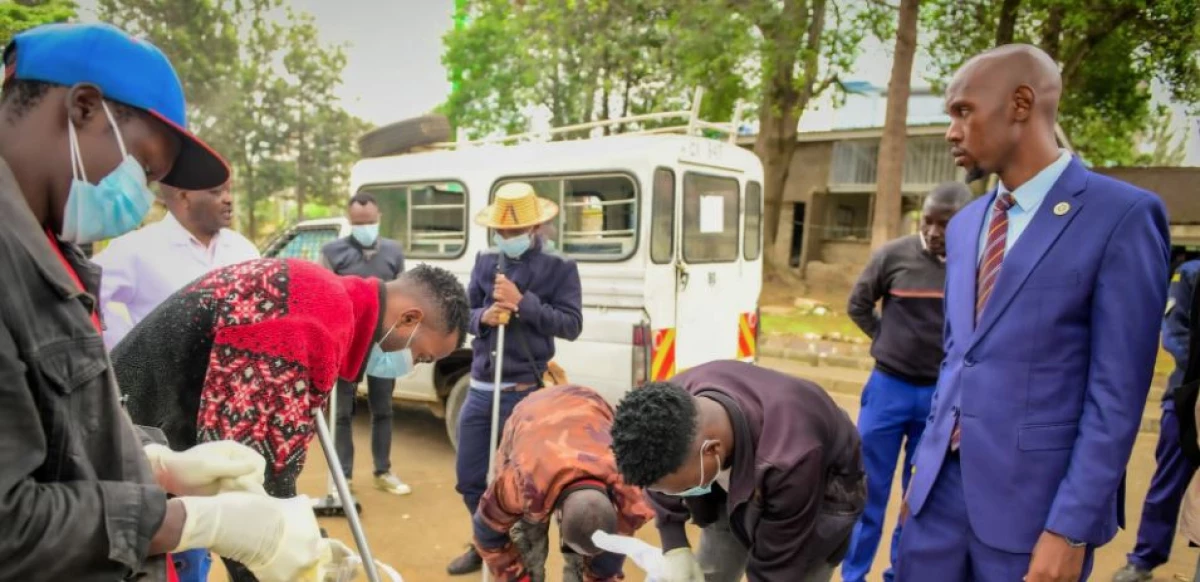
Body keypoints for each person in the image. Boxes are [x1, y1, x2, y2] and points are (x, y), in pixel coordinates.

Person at [0, 22, 326, 582]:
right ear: (83, 108)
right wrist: (193, 522)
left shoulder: (48, 249)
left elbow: (54, 430)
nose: (141, 196)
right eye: (146, 168)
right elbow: (11, 526)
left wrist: (155, 462)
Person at [896, 44, 1169, 582]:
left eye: (963, 111)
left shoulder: (1122, 217)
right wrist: (920, 478)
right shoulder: (967, 223)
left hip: (1032, 513)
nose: (951, 131)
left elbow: (1116, 395)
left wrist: (1071, 528)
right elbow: (957, 358)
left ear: (1021, 103)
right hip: (936, 505)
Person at [113, 258, 469, 581]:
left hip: (160, 450)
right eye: (421, 357)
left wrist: (306, 540)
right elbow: (245, 472)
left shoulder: (327, 303)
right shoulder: (313, 316)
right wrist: (295, 563)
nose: (410, 365)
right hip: (122, 457)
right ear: (409, 318)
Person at [611, 361, 866, 582]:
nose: (679, 495)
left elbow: (777, 570)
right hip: (731, 482)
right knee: (710, 568)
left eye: (686, 489)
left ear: (712, 450)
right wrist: (675, 544)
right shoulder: (667, 410)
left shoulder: (792, 457)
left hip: (818, 498)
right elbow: (662, 484)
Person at [448, 181, 583, 575]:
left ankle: (518, 554)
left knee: (519, 485)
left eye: (515, 232)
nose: (507, 238)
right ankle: (486, 542)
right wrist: (484, 318)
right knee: (470, 480)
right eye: (501, 232)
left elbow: (571, 324)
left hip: (524, 392)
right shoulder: (485, 261)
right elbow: (465, 314)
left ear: (535, 228)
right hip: (479, 388)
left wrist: (523, 304)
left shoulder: (559, 268)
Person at [841, 182, 972, 582]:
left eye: (945, 224)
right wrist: (886, 340)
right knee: (868, 490)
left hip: (941, 397)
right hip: (887, 389)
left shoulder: (975, 264)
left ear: (965, 223)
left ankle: (901, 572)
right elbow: (858, 304)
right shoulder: (893, 255)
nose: (933, 231)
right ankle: (854, 575)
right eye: (927, 221)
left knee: (920, 495)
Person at [472, 385, 655, 582]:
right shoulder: (521, 483)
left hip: (589, 403)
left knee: (587, 552)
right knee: (528, 538)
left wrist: (600, 576)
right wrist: (515, 576)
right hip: (532, 413)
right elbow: (487, 535)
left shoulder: (629, 488)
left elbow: (609, 564)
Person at [1113, 259, 1200, 582]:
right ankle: (1144, 558)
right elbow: (1175, 332)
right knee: (1168, 483)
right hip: (1187, 397)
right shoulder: (1191, 273)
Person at [94, 182, 259, 351]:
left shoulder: (244, 249)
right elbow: (85, 293)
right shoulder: (138, 247)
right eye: (216, 192)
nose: (228, 199)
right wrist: (126, 346)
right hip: (163, 374)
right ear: (184, 196)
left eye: (228, 191)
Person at [319, 192, 411, 496]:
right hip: (347, 345)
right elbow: (325, 297)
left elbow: (403, 293)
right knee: (342, 413)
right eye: (358, 223)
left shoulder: (394, 251)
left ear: (379, 218)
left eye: (369, 222)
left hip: (383, 344)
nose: (365, 227)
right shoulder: (332, 252)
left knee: (383, 408)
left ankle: (382, 471)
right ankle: (343, 477)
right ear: (349, 222)